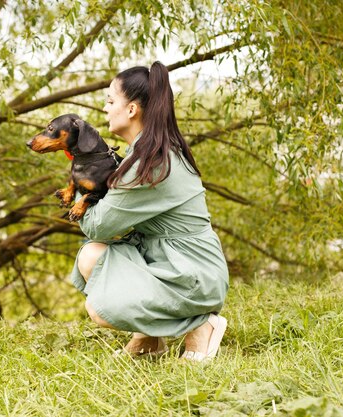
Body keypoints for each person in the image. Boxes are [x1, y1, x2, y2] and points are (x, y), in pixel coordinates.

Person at [70, 61, 230, 360]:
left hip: (191, 274)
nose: (105, 108)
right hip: (176, 264)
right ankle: (150, 338)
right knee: (92, 255)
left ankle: (202, 323)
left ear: (131, 109)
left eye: (110, 100)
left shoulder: (150, 164)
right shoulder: (149, 151)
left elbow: (98, 225)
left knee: (101, 302)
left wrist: (81, 179)